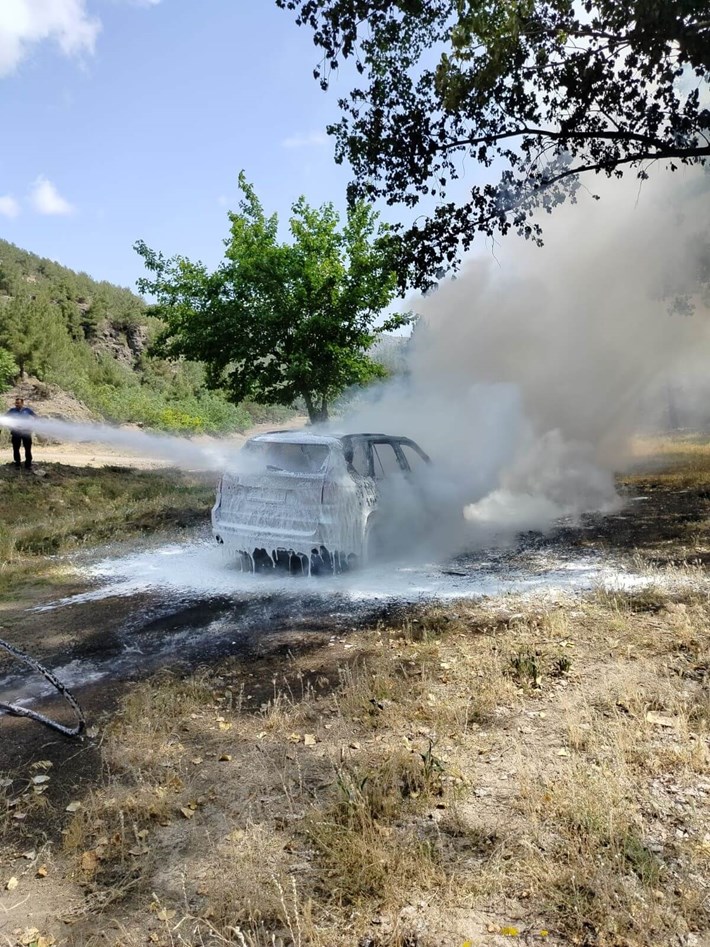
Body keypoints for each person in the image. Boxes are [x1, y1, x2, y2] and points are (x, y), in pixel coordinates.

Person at [6, 396, 36, 470]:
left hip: (26, 432)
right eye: (16, 403)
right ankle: (17, 463)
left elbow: (36, 417)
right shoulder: (12, 410)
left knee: (28, 449)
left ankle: (28, 464)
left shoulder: (27, 410)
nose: (17, 404)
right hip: (16, 433)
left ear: (22, 403)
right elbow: (5, 418)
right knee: (16, 449)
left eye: (18, 403)